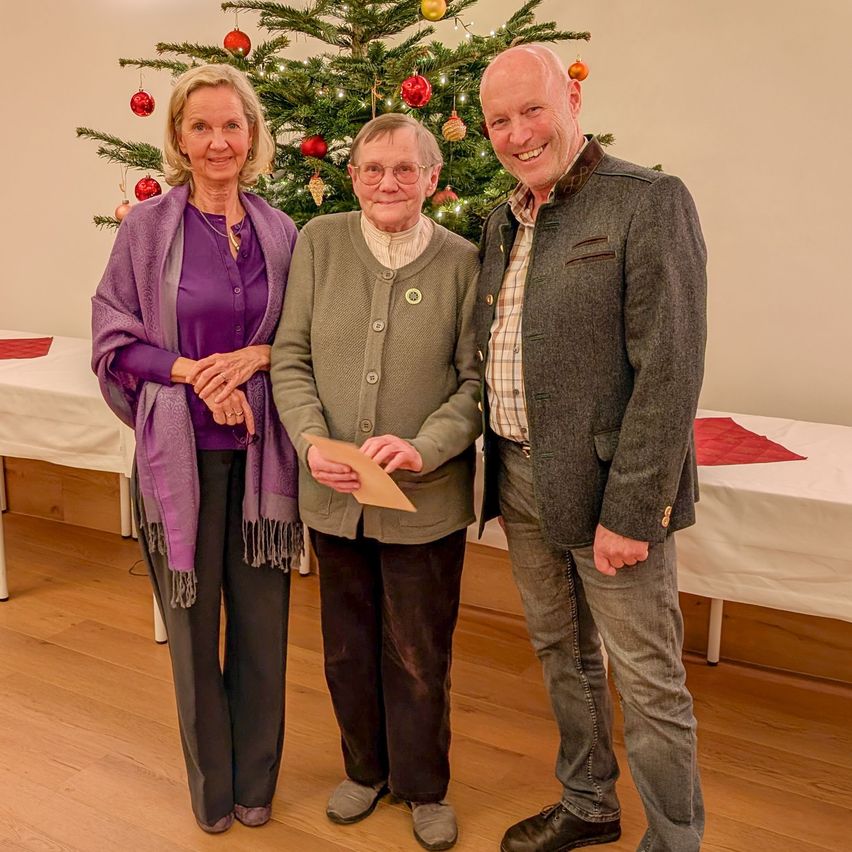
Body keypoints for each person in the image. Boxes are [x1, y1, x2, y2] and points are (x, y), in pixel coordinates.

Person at [477, 45, 707, 852]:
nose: (517, 133)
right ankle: (588, 803)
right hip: (519, 478)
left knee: (647, 680)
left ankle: (675, 840)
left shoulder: (647, 201)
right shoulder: (501, 218)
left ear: (572, 100)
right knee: (560, 653)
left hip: (614, 493)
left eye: (531, 110)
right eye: (498, 121)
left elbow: (670, 371)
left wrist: (635, 509)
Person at [92, 64, 302, 835]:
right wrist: (190, 374)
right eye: (201, 126)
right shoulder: (147, 229)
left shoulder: (283, 232)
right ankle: (213, 792)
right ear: (179, 137)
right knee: (191, 627)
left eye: (232, 125)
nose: (218, 141)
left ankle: (257, 786)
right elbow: (115, 339)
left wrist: (260, 358)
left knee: (261, 628)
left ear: (254, 135)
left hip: (261, 464)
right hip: (179, 457)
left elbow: (306, 339)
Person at [270, 112, 480, 852]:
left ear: (432, 177)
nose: (387, 183)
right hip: (334, 496)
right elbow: (289, 357)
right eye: (371, 169)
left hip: (426, 503)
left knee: (420, 650)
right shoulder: (319, 244)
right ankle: (363, 768)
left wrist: (426, 446)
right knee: (346, 645)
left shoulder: (463, 261)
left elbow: (475, 385)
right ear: (351, 174)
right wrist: (309, 438)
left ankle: (424, 785)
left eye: (404, 169)